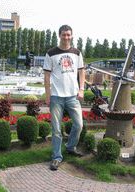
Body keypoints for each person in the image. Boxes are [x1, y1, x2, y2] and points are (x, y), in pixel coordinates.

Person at [43, 25, 85, 171]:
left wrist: (81, 89)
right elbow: (47, 76)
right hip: (56, 96)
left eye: (68, 35)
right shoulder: (51, 54)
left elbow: (81, 72)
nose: (66, 37)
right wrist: (48, 95)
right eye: (63, 35)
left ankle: (70, 146)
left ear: (71, 36)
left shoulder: (77, 53)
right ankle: (56, 157)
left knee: (79, 125)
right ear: (59, 35)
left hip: (73, 95)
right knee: (56, 128)